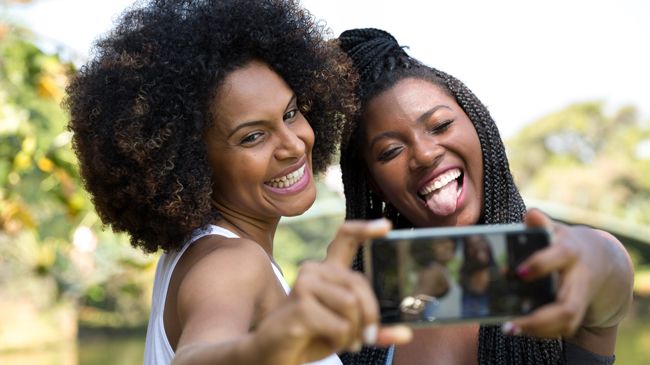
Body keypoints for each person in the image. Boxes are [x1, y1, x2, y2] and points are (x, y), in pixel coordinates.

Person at [65, 2, 412, 364]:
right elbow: (197, 356)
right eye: (252, 137)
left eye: (290, 114)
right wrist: (262, 348)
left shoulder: (195, 254)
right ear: (192, 162)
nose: (294, 145)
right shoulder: (233, 263)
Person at [335, 28, 634, 365]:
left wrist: (595, 254)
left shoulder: (548, 263)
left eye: (440, 125)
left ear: (479, 126)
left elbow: (610, 274)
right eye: (390, 151)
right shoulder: (370, 303)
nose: (424, 154)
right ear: (374, 184)